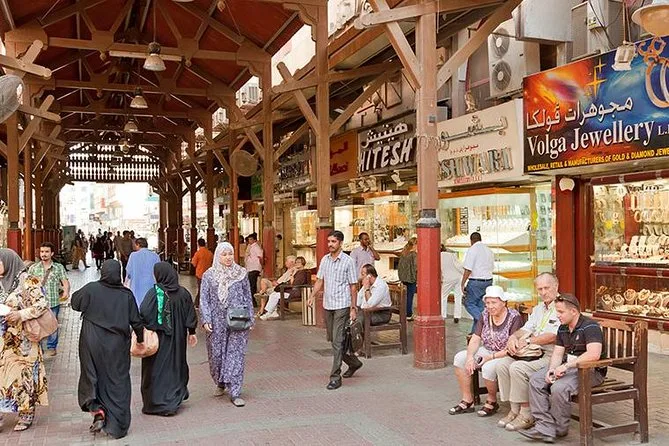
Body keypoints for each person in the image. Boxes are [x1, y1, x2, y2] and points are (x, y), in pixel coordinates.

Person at [71, 260, 144, 439]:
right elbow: (136, 321)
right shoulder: (126, 295)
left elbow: (75, 303)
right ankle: (117, 425)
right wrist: (141, 339)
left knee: (92, 374)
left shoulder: (91, 289)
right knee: (117, 380)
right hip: (117, 345)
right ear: (119, 273)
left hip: (91, 342)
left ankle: (97, 409)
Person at [520, 294, 605, 443]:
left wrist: (565, 367)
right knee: (536, 380)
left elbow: (593, 354)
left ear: (573, 311)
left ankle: (559, 428)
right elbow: (558, 353)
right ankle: (544, 426)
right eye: (556, 311)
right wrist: (552, 370)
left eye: (560, 312)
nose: (557, 315)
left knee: (559, 387)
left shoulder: (591, 327)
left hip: (590, 370)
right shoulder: (563, 328)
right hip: (569, 367)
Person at [495, 273, 561, 431]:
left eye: (546, 288)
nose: (543, 292)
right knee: (502, 364)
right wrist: (513, 337)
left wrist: (529, 341)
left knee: (517, 368)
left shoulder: (562, 307)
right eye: (540, 289)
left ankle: (526, 414)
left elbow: (554, 336)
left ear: (556, 286)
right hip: (532, 353)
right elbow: (526, 329)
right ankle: (514, 409)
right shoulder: (539, 308)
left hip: (552, 356)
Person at [449, 285, 522, 417]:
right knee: (460, 358)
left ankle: (492, 400)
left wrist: (490, 357)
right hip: (487, 349)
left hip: (505, 354)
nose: (490, 306)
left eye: (494, 302)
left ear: (503, 302)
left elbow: (513, 347)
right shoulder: (485, 315)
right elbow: (476, 338)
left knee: (488, 367)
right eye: (487, 303)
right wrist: (470, 357)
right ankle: (468, 400)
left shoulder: (514, 317)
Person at [200, 242, 254, 407]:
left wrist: (250, 318)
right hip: (217, 321)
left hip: (238, 319)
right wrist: (206, 319)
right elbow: (204, 299)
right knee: (216, 355)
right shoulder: (209, 275)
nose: (228, 257)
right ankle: (220, 382)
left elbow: (248, 296)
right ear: (218, 256)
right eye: (224, 254)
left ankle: (235, 391)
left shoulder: (241, 273)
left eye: (230, 254)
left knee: (235, 355)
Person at [0, 249, 49, 432]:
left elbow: (42, 304)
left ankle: (26, 412)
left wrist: (20, 314)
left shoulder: (28, 280)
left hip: (23, 340)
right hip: (2, 340)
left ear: (8, 261)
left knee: (23, 376)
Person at [140, 263, 197, 416]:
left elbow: (144, 312)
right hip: (178, 338)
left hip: (159, 340)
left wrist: (149, 327)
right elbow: (190, 313)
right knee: (176, 364)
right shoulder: (183, 293)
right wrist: (191, 331)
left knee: (157, 368)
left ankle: (157, 401)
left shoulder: (155, 293)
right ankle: (174, 396)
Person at [308, 230, 362, 390]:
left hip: (342, 305)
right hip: (328, 304)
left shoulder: (348, 261)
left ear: (340, 243)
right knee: (333, 340)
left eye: (333, 242)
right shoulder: (325, 260)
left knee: (337, 341)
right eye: (329, 241)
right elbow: (320, 280)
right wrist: (312, 296)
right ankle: (354, 363)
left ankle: (335, 377)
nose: (330, 244)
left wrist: (353, 308)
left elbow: (353, 286)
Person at [28, 242, 70, 357]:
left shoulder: (58, 267)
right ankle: (39, 347)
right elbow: (28, 284)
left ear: (52, 253)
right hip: (38, 303)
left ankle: (52, 347)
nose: (44, 254)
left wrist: (66, 292)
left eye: (46, 252)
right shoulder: (33, 268)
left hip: (53, 301)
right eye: (42, 252)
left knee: (52, 325)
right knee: (38, 325)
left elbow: (65, 281)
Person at [461, 232, 494, 333]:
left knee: (468, 303)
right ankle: (475, 333)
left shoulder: (472, 250)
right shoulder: (488, 250)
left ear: (471, 241)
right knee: (480, 307)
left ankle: (485, 322)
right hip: (488, 281)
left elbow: (468, 269)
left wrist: (462, 283)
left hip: (476, 281)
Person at [259, 256, 310, 320]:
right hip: (291, 291)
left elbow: (295, 284)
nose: (297, 264)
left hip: (295, 292)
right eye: (296, 262)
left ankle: (269, 312)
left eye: (299, 262)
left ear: (303, 263)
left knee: (275, 295)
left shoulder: (303, 272)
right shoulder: (298, 272)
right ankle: (272, 312)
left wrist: (292, 276)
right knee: (273, 294)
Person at [126, 237, 160, 307]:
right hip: (151, 284)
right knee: (150, 303)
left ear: (138, 245)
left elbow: (129, 272)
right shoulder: (155, 256)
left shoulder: (133, 255)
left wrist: (126, 283)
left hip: (136, 285)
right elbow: (158, 272)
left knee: (137, 304)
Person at [440, 246, 464, 323]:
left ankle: (443, 315)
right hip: (458, 277)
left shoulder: (438, 256)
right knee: (458, 296)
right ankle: (457, 316)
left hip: (447, 278)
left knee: (443, 296)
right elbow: (459, 265)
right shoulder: (452, 255)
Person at [190, 238, 214, 309]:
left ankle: (197, 303)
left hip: (200, 273)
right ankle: (208, 302)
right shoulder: (210, 253)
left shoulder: (198, 253)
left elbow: (194, 263)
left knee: (201, 289)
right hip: (208, 274)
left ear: (198, 244)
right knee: (208, 289)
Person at [397, 238, 417, 320]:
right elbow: (416, 266)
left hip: (403, 278)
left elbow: (400, 266)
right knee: (410, 296)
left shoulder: (403, 253)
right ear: (414, 245)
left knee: (404, 296)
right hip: (411, 278)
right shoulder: (414, 254)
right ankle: (409, 314)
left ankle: (404, 313)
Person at [244, 233, 263, 305]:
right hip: (250, 268)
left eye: (251, 239)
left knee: (252, 285)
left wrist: (260, 266)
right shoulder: (250, 247)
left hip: (254, 268)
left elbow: (260, 256)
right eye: (249, 239)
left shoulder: (256, 247)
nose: (250, 241)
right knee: (251, 284)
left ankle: (253, 301)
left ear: (255, 240)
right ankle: (251, 300)